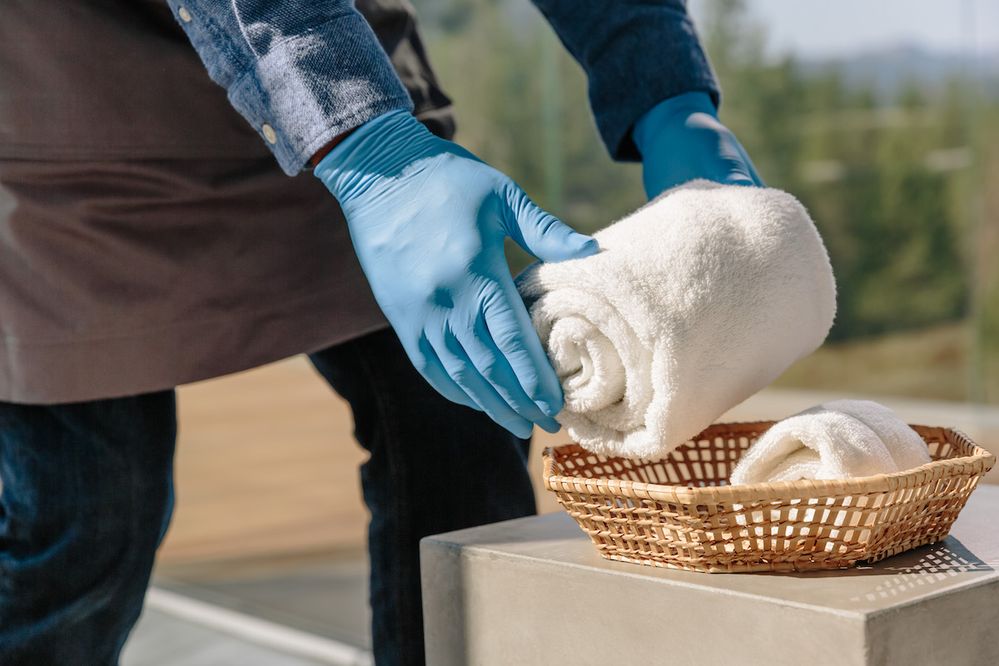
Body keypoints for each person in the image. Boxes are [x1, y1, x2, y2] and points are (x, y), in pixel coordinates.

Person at [0, 1, 760, 663]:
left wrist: (666, 93)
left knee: (461, 435)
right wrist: (367, 151)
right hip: (65, 104)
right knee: (85, 523)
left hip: (346, 60)